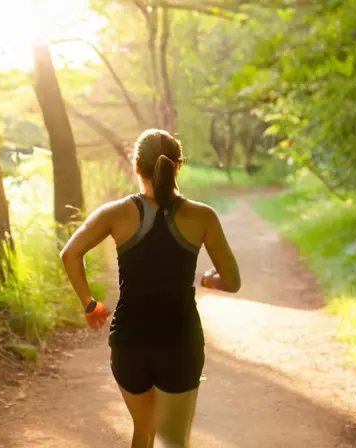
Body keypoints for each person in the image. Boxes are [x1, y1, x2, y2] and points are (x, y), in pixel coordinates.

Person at [60, 129, 241, 448]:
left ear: (136, 167)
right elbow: (233, 281)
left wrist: (90, 306)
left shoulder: (116, 213)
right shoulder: (201, 216)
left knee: (143, 431)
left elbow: (70, 254)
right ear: (178, 167)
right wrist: (211, 279)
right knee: (173, 440)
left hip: (131, 343)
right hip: (180, 344)